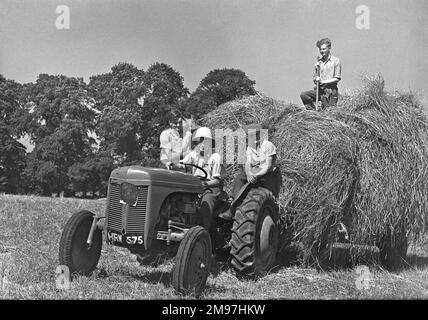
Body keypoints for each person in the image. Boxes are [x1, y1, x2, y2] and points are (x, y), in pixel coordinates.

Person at [219, 123, 281, 220]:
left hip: (268, 173)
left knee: (250, 179)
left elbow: (268, 166)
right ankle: (232, 201)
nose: (254, 137)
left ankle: (232, 208)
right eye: (251, 135)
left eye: (256, 134)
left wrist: (256, 175)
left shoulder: (268, 145)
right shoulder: (250, 147)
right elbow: (247, 163)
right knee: (241, 176)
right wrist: (248, 173)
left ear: (259, 134)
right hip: (256, 169)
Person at [174, 126, 226, 230]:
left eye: (205, 141)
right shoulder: (193, 155)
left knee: (206, 201)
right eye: (199, 141)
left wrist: (205, 185)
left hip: (211, 187)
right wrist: (174, 164)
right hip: (195, 184)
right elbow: (182, 164)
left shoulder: (215, 157)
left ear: (210, 143)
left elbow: (217, 180)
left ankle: (204, 230)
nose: (202, 144)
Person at [300, 38, 341, 111]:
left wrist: (322, 81)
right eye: (320, 49)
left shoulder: (336, 60)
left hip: (331, 91)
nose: (321, 51)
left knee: (329, 113)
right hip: (320, 90)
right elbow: (315, 78)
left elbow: (337, 78)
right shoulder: (319, 62)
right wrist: (316, 77)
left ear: (329, 48)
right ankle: (313, 114)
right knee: (304, 95)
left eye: (324, 49)